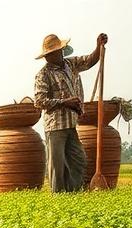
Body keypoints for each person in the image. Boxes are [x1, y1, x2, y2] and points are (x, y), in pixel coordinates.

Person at [33, 32, 108, 193]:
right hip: (55, 127)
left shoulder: (71, 64)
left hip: (71, 124)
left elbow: (90, 61)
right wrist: (65, 102)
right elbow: (39, 102)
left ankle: (73, 192)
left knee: (78, 160)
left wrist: (98, 46)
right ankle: (58, 195)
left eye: (54, 52)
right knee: (57, 165)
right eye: (48, 54)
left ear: (60, 51)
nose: (50, 57)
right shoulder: (43, 75)